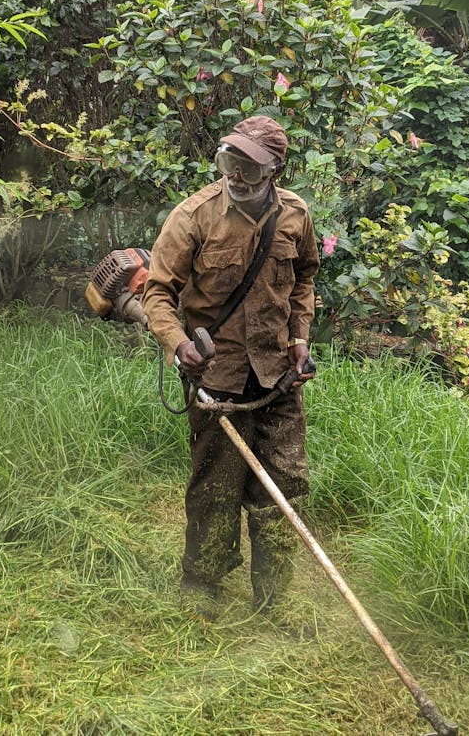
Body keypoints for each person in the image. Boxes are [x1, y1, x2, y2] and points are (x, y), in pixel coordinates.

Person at [142, 115, 320, 620]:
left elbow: (305, 277)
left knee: (283, 487)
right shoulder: (195, 216)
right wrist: (178, 345)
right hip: (216, 378)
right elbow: (158, 291)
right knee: (216, 488)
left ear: (275, 170)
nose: (235, 175)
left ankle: (275, 600)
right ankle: (202, 587)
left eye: (248, 167)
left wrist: (300, 337)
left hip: (278, 378)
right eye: (228, 162)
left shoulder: (295, 217)